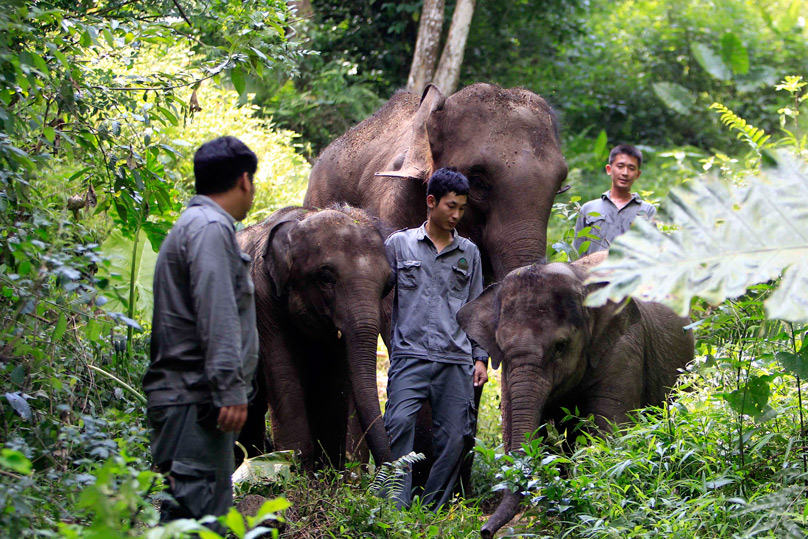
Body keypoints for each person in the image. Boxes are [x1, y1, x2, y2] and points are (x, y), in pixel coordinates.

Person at [142, 136, 259, 523]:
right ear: (244, 180)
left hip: (193, 399)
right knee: (195, 519)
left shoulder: (196, 224)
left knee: (195, 515)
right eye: (252, 183)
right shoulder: (210, 228)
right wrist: (230, 389)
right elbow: (217, 311)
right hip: (195, 401)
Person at [383, 167, 489, 510]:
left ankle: (433, 509)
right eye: (450, 206)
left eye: (461, 208)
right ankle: (394, 509)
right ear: (431, 202)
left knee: (456, 438)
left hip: (455, 359)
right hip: (409, 355)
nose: (457, 215)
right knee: (397, 425)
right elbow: (379, 297)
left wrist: (480, 357)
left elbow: (476, 308)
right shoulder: (398, 245)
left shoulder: (469, 254)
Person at [573, 144, 656, 256]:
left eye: (631, 168)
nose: (625, 173)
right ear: (609, 169)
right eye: (620, 166)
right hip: (594, 273)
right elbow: (577, 254)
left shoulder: (647, 211)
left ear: (638, 174)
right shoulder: (588, 209)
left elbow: (652, 253)